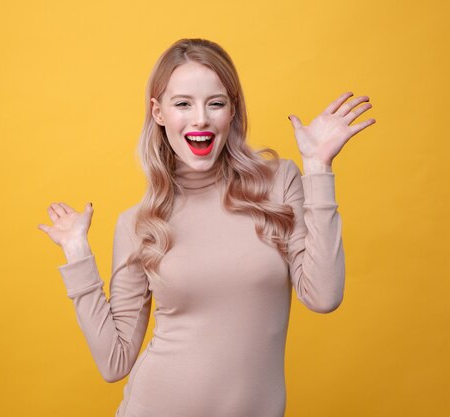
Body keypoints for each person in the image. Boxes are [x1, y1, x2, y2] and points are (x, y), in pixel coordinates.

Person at [38, 38, 375, 417]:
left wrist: (317, 167)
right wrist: (77, 253)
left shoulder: (278, 182)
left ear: (233, 111)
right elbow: (114, 362)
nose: (200, 118)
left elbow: (323, 295)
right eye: (183, 103)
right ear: (159, 112)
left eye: (215, 103)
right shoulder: (138, 223)